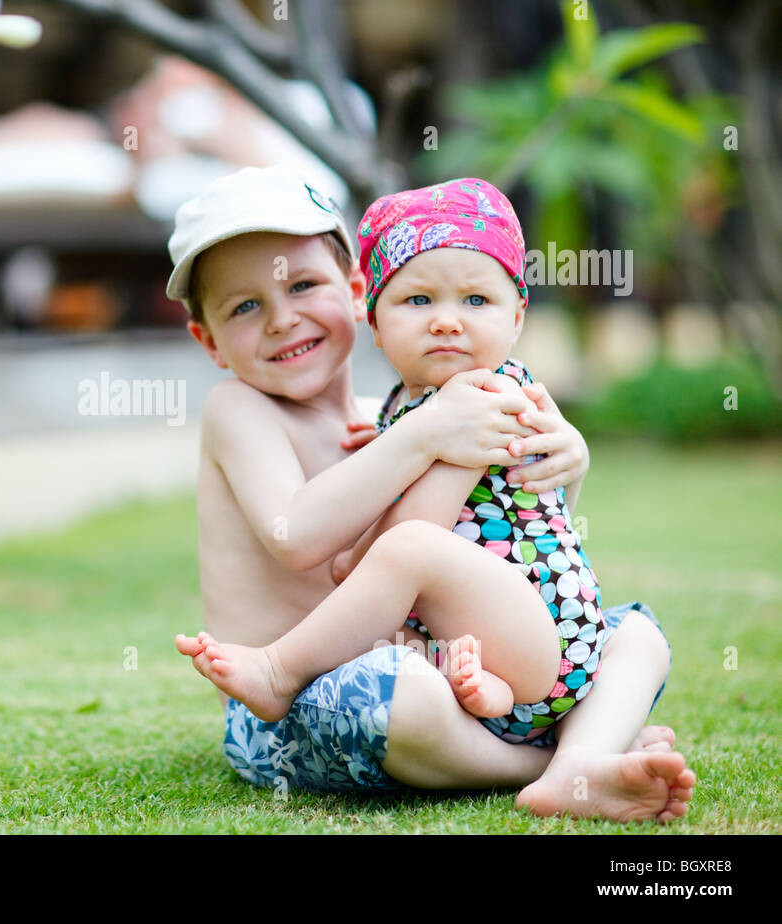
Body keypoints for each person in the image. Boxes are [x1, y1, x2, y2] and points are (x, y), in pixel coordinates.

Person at [169, 165, 695, 821]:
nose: (282, 319)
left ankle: (575, 760)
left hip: (457, 667)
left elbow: (505, 544)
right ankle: (561, 762)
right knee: (405, 694)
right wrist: (427, 434)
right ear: (208, 339)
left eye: (303, 284)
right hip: (309, 705)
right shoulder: (242, 410)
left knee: (636, 636)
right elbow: (296, 536)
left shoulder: (387, 417)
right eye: (244, 306)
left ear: (358, 293)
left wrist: (570, 461)